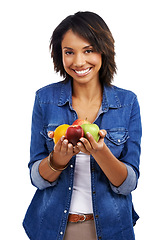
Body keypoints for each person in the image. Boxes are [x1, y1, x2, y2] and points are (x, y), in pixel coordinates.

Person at [23, 11, 142, 240]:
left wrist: (101, 153)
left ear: (103, 50)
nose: (78, 62)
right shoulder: (44, 99)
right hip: (51, 228)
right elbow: (36, 178)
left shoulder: (128, 103)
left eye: (88, 50)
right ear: (60, 55)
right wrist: (58, 159)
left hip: (111, 229)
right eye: (69, 52)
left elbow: (128, 184)